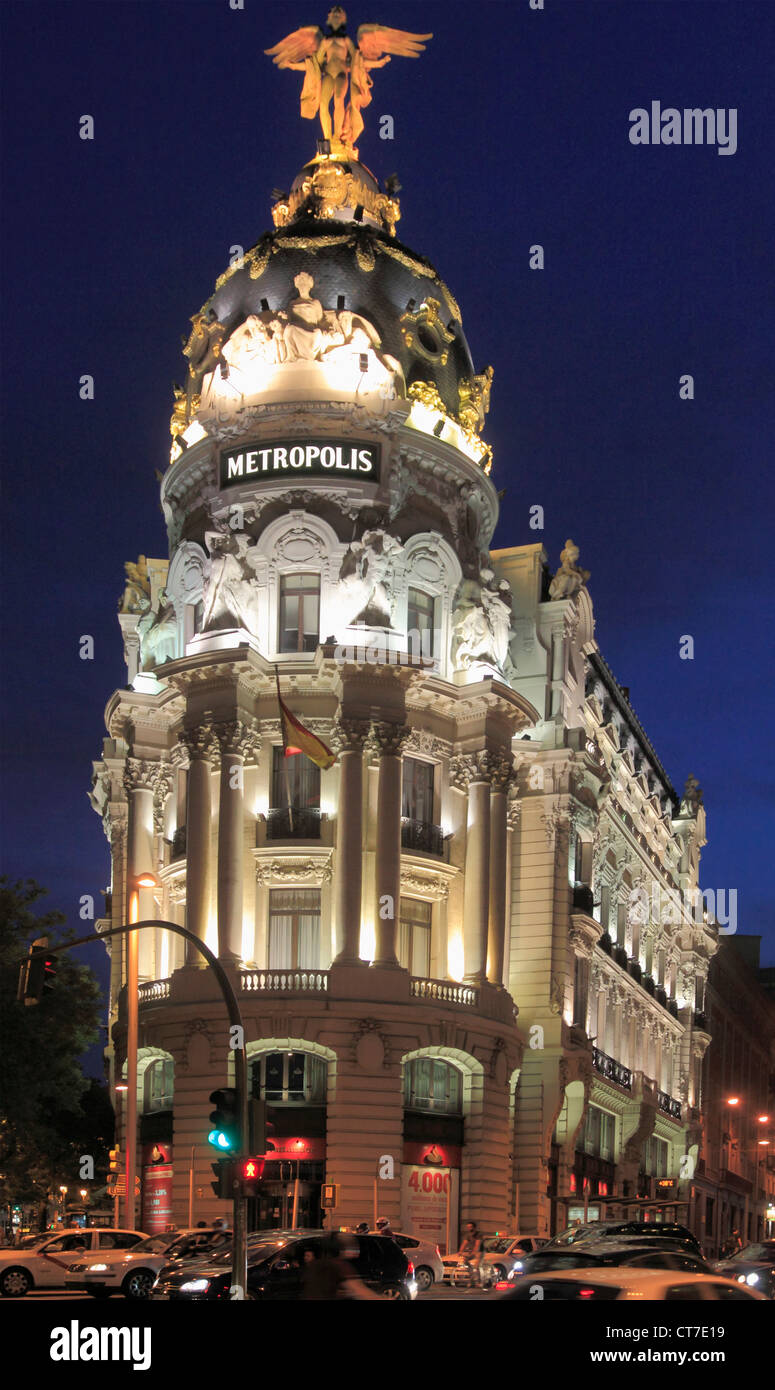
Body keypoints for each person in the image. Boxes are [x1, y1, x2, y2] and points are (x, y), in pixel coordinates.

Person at [300, 1232, 381, 1300]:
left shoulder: (315, 1264)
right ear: (341, 1248)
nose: (356, 1251)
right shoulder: (340, 1265)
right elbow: (360, 1291)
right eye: (351, 1246)